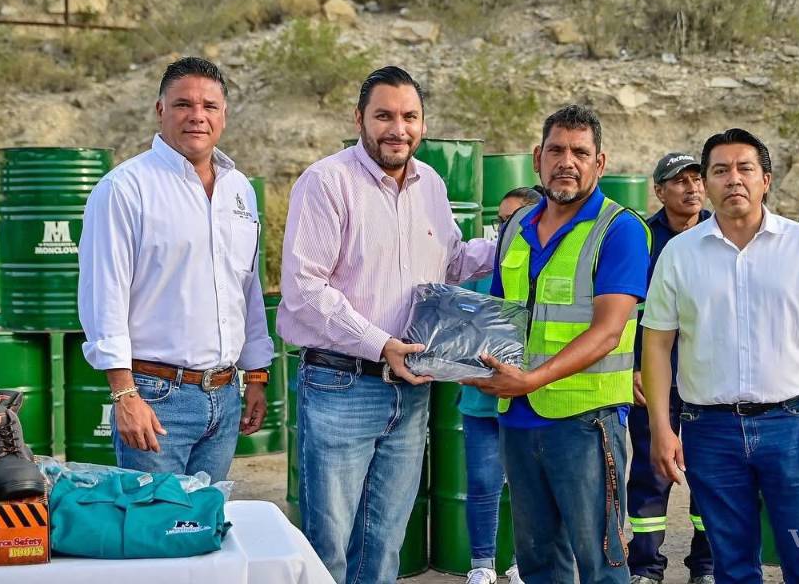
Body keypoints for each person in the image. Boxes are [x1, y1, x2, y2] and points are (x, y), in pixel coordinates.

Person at [278, 66, 496, 583]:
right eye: (384, 116)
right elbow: (305, 289)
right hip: (340, 385)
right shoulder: (328, 182)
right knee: (328, 545)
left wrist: (520, 237)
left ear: (422, 123)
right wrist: (382, 345)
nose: (397, 128)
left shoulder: (431, 186)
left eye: (409, 116)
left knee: (383, 543)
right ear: (359, 119)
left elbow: (454, 262)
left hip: (412, 390)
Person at [643, 128, 799, 584]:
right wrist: (662, 427)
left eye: (745, 169)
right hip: (709, 430)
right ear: (707, 183)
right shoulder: (678, 254)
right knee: (733, 568)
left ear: (766, 180)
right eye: (720, 170)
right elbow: (657, 344)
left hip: (792, 427)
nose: (733, 178)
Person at [466, 104, 651, 584]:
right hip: (518, 422)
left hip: (586, 424)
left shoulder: (621, 229)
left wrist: (528, 380)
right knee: (538, 563)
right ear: (537, 157)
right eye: (556, 150)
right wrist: (455, 359)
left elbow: (609, 331)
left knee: (602, 563)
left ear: (600, 162)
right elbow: (499, 316)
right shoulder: (516, 227)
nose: (566, 161)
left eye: (580, 152)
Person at [78, 56, 273, 482]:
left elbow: (247, 288)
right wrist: (124, 394)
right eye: (183, 104)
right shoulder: (124, 189)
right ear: (160, 110)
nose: (197, 116)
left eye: (210, 106)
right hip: (155, 398)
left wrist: (256, 374)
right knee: (158, 535)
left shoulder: (239, 191)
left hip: (225, 399)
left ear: (224, 115)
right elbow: (104, 295)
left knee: (203, 532)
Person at [628, 153, 714, 584]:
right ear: (659, 191)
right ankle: (645, 567)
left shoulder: (722, 233)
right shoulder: (640, 237)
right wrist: (632, 367)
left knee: (711, 472)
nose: (691, 188)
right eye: (679, 182)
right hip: (655, 376)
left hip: (711, 379)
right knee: (649, 471)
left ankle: (706, 566)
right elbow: (624, 311)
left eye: (697, 179)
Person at [459, 186, 541, 584]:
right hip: (481, 400)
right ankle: (481, 564)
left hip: (529, 400)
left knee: (527, 488)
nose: (505, 226)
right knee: (482, 483)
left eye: (515, 218)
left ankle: (520, 563)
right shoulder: (479, 269)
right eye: (501, 219)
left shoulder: (545, 268)